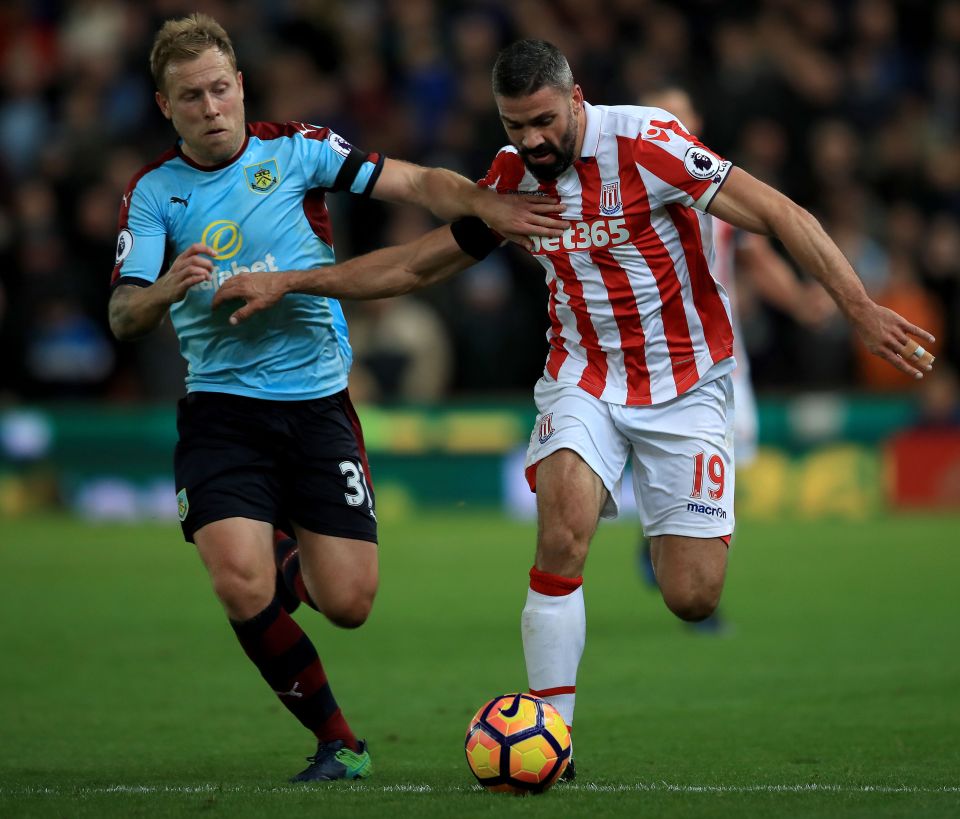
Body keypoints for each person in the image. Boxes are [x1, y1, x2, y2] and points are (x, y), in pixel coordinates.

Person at [213, 39, 936, 780]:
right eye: (513, 125)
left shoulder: (646, 141)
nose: (531, 141)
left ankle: (670, 542)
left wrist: (860, 308)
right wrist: (293, 282)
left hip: (687, 382)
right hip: (581, 375)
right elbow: (413, 263)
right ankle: (551, 739)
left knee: (691, 594)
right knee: (561, 533)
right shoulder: (510, 181)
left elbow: (778, 211)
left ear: (577, 99)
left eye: (543, 122)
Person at [107, 15, 566, 784]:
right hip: (223, 410)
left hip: (319, 404)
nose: (212, 107)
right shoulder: (154, 195)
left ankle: (269, 538)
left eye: (222, 89)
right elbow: (123, 315)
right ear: (165, 106)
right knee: (238, 580)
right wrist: (163, 290)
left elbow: (417, 182)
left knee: (347, 601)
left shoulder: (297, 150)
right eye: (192, 97)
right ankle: (339, 742)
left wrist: (487, 204)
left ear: (241, 86)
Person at [634, 87, 836, 632]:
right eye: (660, 113)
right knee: (697, 466)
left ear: (696, 120)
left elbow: (758, 256)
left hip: (722, 356)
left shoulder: (718, 190)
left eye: (680, 111)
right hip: (649, 359)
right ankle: (695, 589)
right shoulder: (627, 191)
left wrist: (798, 299)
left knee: (725, 465)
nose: (670, 121)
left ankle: (668, 552)